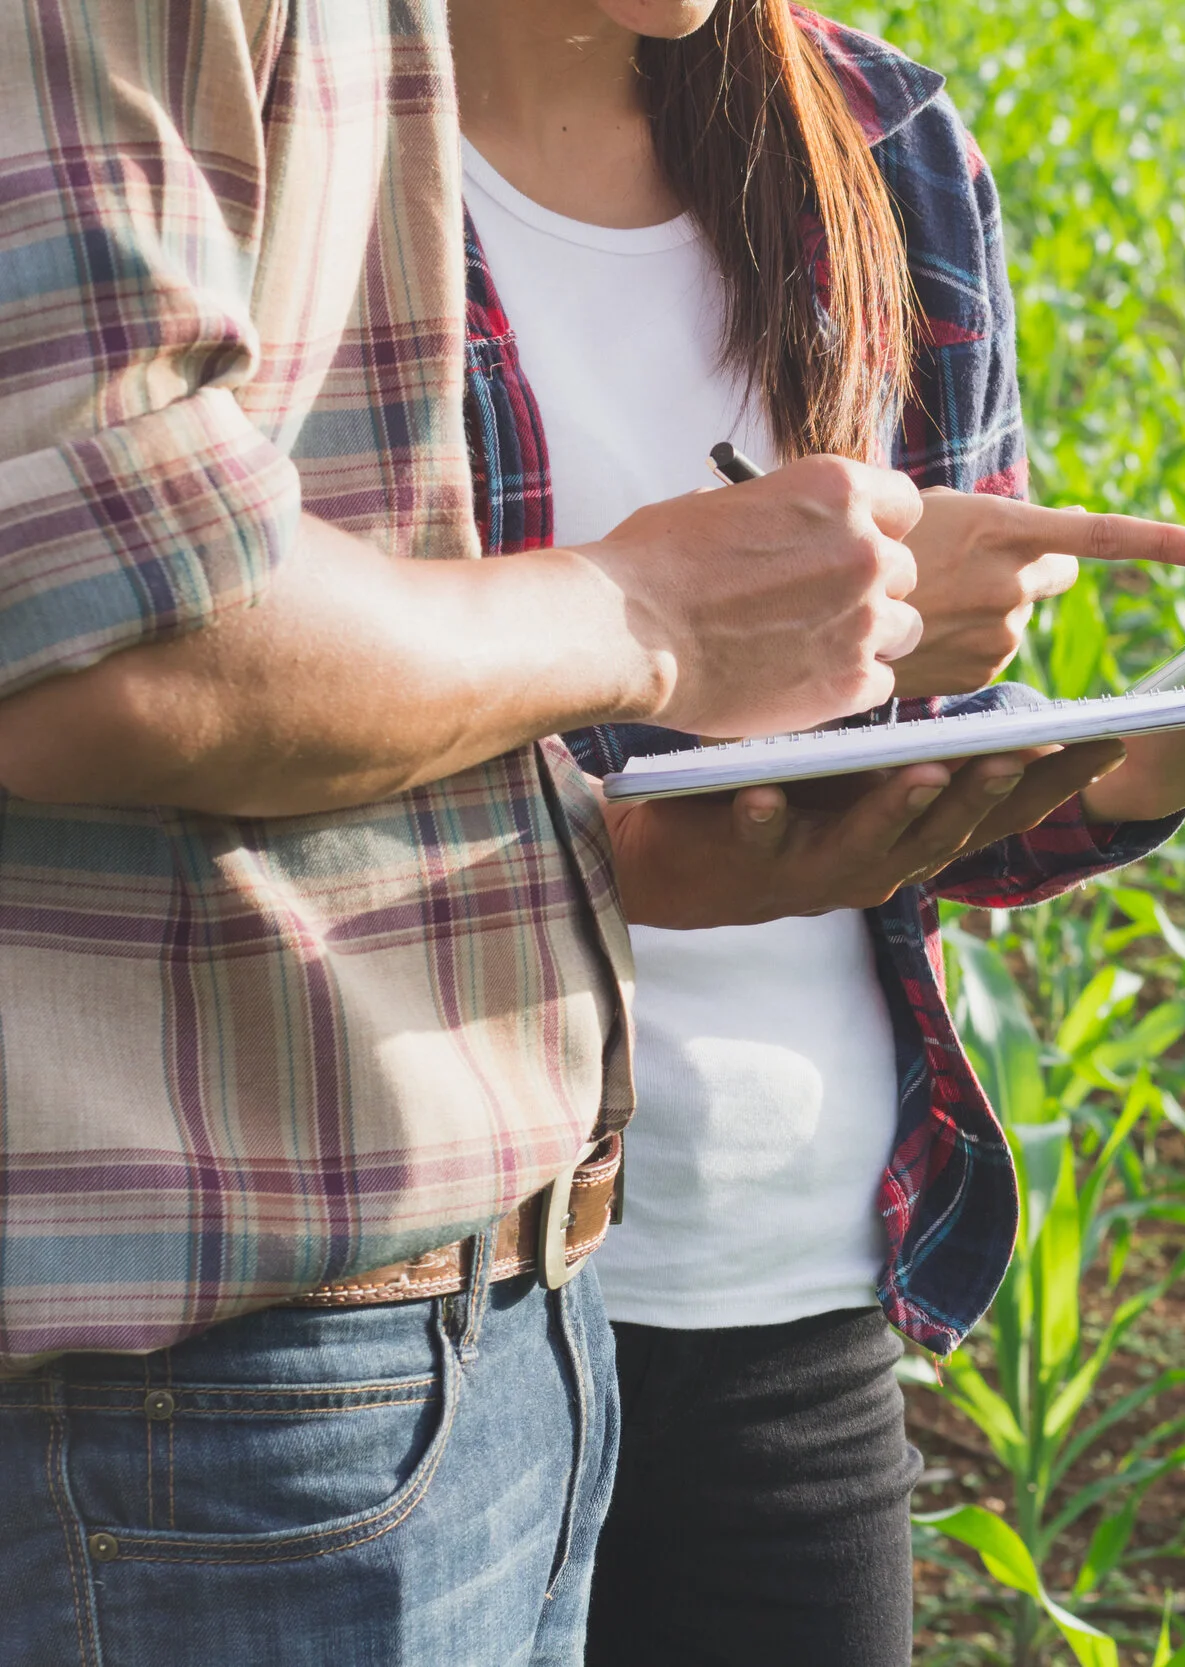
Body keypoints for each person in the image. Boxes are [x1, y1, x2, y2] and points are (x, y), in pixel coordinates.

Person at [447, 2, 1185, 1662]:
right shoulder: (297, 142)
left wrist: (1136, 763)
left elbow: (916, 815)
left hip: (789, 1285)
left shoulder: (884, 148)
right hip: (420, 1311)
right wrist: (669, 670)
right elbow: (245, 711)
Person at [0, 3, 955, 1663]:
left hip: (508, 1311)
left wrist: (611, 842)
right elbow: (113, 636)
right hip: (230, 1373)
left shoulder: (871, 141)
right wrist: (647, 612)